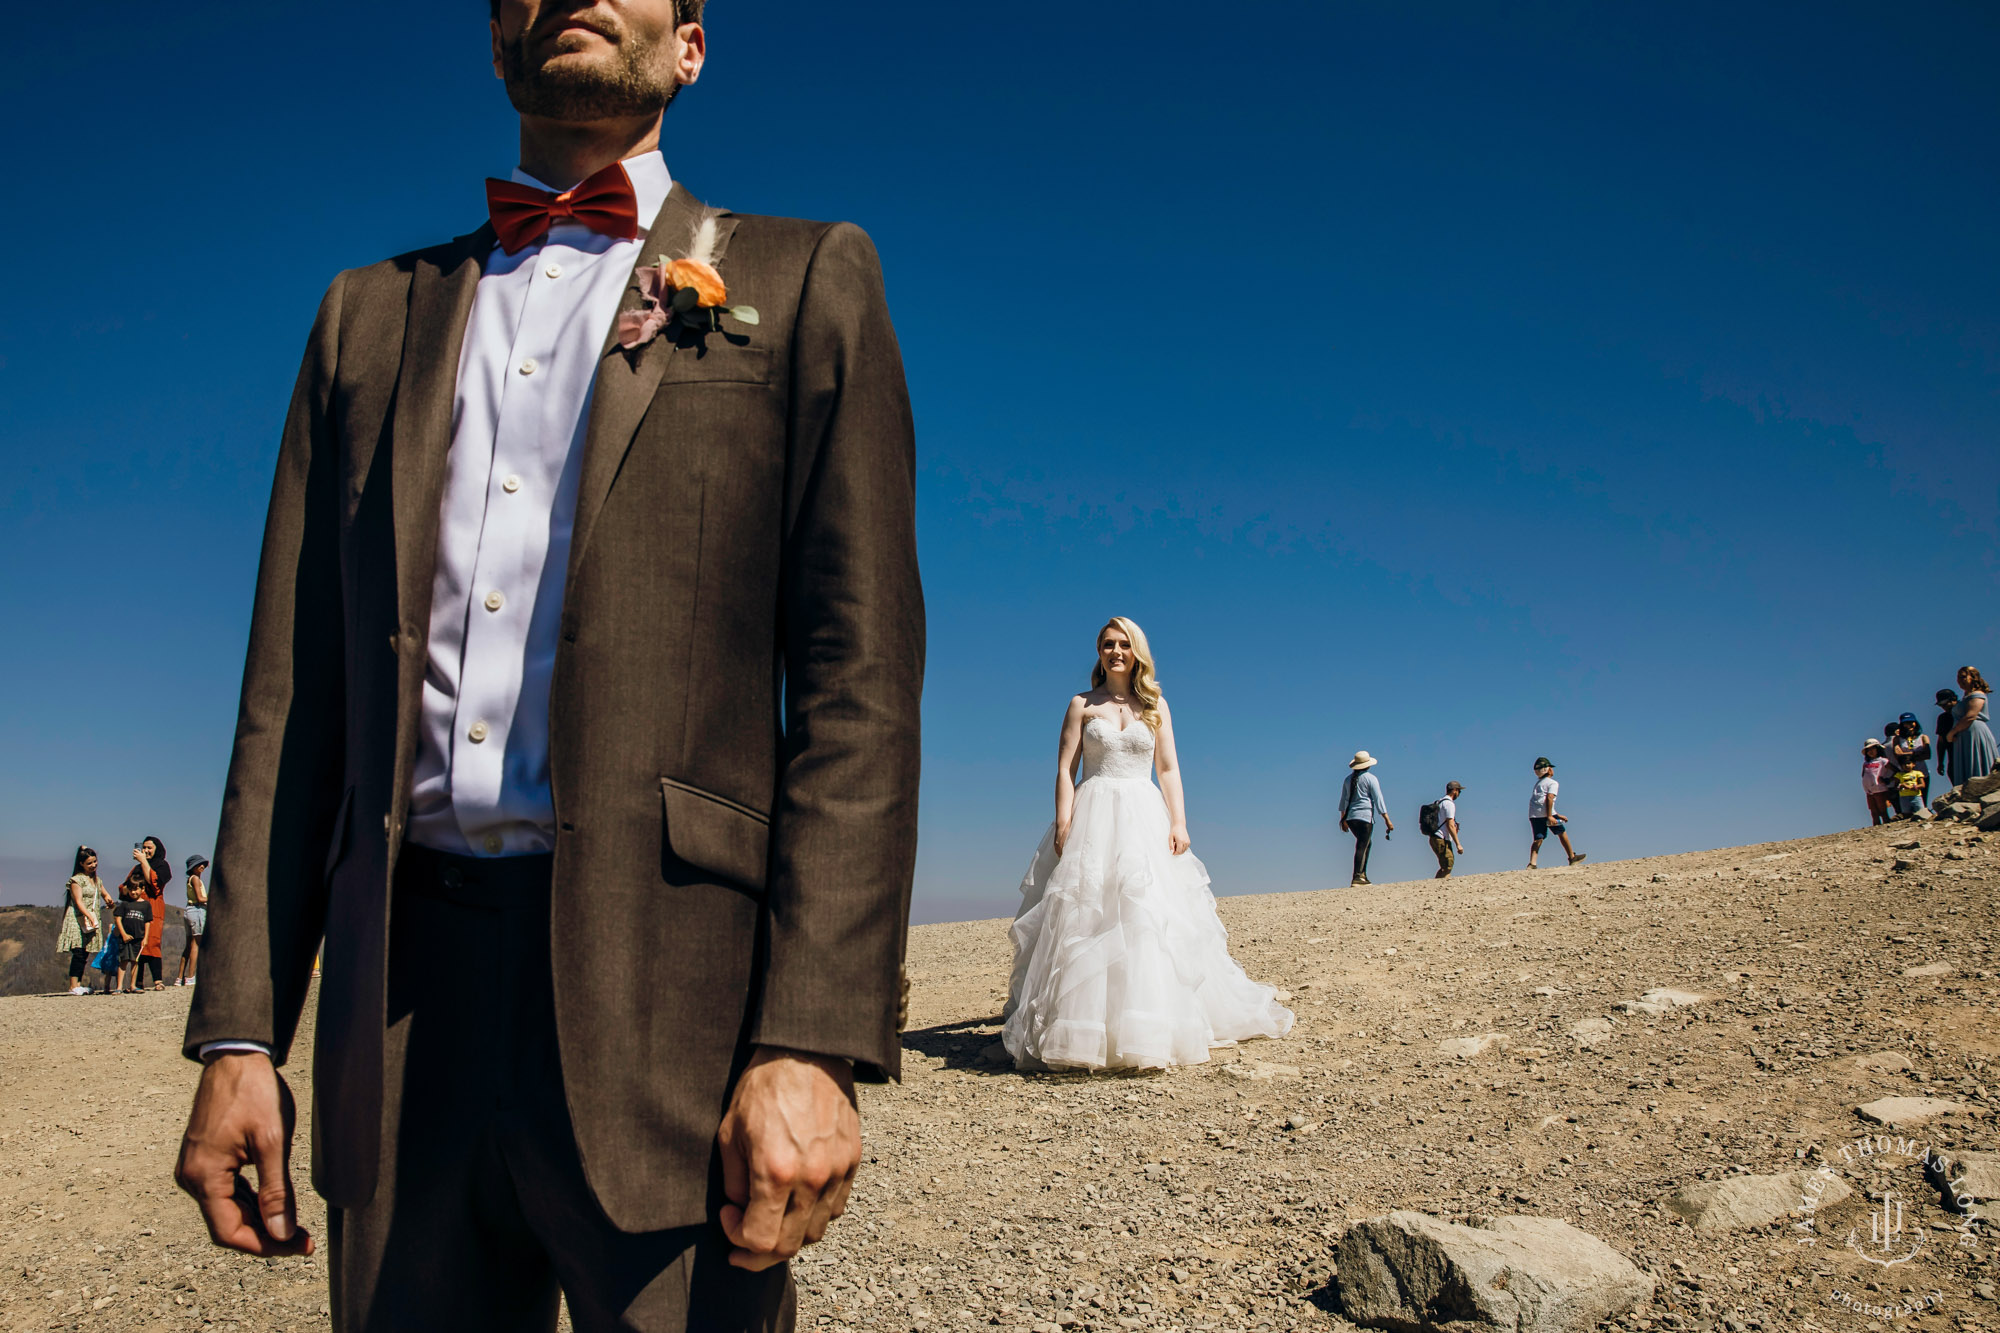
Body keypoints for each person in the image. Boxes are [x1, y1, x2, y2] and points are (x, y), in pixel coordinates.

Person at [176, 5, 923, 1329]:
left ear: (692, 46)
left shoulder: (803, 281)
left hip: (676, 1008)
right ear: (495, 37)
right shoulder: (363, 318)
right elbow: (291, 702)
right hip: (398, 1016)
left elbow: (856, 687)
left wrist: (809, 1039)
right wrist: (244, 1033)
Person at [1003, 618, 1292, 1070]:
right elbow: (1065, 767)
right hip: (1093, 811)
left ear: (1136, 651)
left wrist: (1179, 822)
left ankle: (1147, 1025)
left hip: (1143, 812)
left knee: (1146, 914)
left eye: (1123, 645)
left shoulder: (1155, 705)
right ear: (1098, 651)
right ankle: (1083, 1028)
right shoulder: (1081, 703)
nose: (1114, 652)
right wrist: (1064, 820)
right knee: (1089, 913)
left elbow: (1169, 769)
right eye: (1107, 645)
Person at [1337, 752, 1393, 887]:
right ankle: (1357, 876)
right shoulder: (1371, 778)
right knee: (1363, 844)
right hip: (1365, 816)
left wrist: (1343, 819)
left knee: (1366, 843)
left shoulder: (1347, 779)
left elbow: (1343, 800)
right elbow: (1378, 799)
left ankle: (1362, 875)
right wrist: (1387, 819)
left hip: (1351, 817)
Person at [55, 845, 104, 996]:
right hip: (77, 919)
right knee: (78, 952)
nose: (93, 865)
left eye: (95, 862)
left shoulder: (96, 880)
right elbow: (78, 901)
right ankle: (73, 985)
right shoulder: (77, 880)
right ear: (81, 864)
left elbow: (103, 893)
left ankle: (78, 984)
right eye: (89, 863)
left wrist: (108, 900)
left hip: (89, 920)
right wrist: (89, 915)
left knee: (84, 952)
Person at [1944, 666, 1998, 786]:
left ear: (1972, 677)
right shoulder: (1966, 696)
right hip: (1964, 735)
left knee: (1977, 762)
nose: (1960, 680)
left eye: (1963, 677)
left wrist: (1952, 732)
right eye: (1958, 677)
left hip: (1974, 732)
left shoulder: (1977, 694)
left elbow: (1970, 716)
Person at [1527, 758, 1584, 868]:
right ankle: (1572, 857)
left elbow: (1540, 802)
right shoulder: (1553, 783)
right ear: (1547, 769)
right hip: (1547, 815)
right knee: (1562, 833)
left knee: (1538, 838)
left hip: (1534, 815)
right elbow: (1549, 799)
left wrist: (1557, 815)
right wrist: (1550, 816)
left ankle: (1532, 863)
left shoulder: (1538, 784)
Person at [134, 836, 170, 992]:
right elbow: (127, 885)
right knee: (137, 944)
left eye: (149, 848)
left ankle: (157, 980)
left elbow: (155, 884)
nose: (146, 851)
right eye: (144, 847)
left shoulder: (162, 865)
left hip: (153, 908)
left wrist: (143, 862)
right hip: (136, 910)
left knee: (152, 943)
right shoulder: (136, 868)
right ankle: (137, 982)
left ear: (157, 849)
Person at [114, 870, 153, 995]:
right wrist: (123, 934)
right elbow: (118, 919)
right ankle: (119, 986)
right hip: (125, 938)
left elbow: (147, 922)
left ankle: (132, 985)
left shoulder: (146, 905)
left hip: (138, 937)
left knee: (135, 961)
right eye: (131, 889)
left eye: (136, 889)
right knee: (123, 961)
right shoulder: (124, 904)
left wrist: (145, 938)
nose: (133, 892)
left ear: (142, 889)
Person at [176, 855, 209, 987]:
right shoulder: (195, 879)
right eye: (199, 864)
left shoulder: (191, 879)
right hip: (197, 910)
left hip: (189, 910)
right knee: (196, 944)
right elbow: (200, 898)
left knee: (189, 945)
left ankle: (180, 978)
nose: (202, 866)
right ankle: (191, 977)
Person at [1890, 715, 1933, 812]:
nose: (1908, 725)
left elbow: (1927, 754)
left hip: (1921, 772)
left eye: (1911, 722)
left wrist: (1907, 755)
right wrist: (1916, 754)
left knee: (1922, 797)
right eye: (1906, 723)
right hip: (1905, 774)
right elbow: (1898, 754)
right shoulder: (1898, 739)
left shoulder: (1923, 737)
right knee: (1906, 798)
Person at [1425, 783, 1464, 879]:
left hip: (1434, 837)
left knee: (1445, 866)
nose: (1459, 793)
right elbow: (1450, 824)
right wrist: (1458, 844)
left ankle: (1436, 886)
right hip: (1442, 838)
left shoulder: (1439, 801)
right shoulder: (1449, 804)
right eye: (1459, 791)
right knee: (1447, 866)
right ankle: (1438, 888)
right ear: (1454, 790)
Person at [1861, 739, 1893, 825]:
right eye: (1868, 750)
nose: (1870, 751)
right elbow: (1863, 774)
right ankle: (1876, 826)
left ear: (1878, 749)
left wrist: (1889, 779)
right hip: (1869, 790)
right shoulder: (1866, 763)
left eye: (1872, 749)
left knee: (1882, 810)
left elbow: (1895, 771)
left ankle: (1886, 824)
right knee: (1873, 811)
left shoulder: (1883, 761)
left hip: (1880, 788)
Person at [1935, 689, 1960, 788]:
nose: (1944, 707)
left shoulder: (1965, 712)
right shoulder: (1943, 718)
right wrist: (1940, 762)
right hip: (1953, 757)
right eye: (1941, 705)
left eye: (1945, 704)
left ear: (1954, 700)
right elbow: (1941, 741)